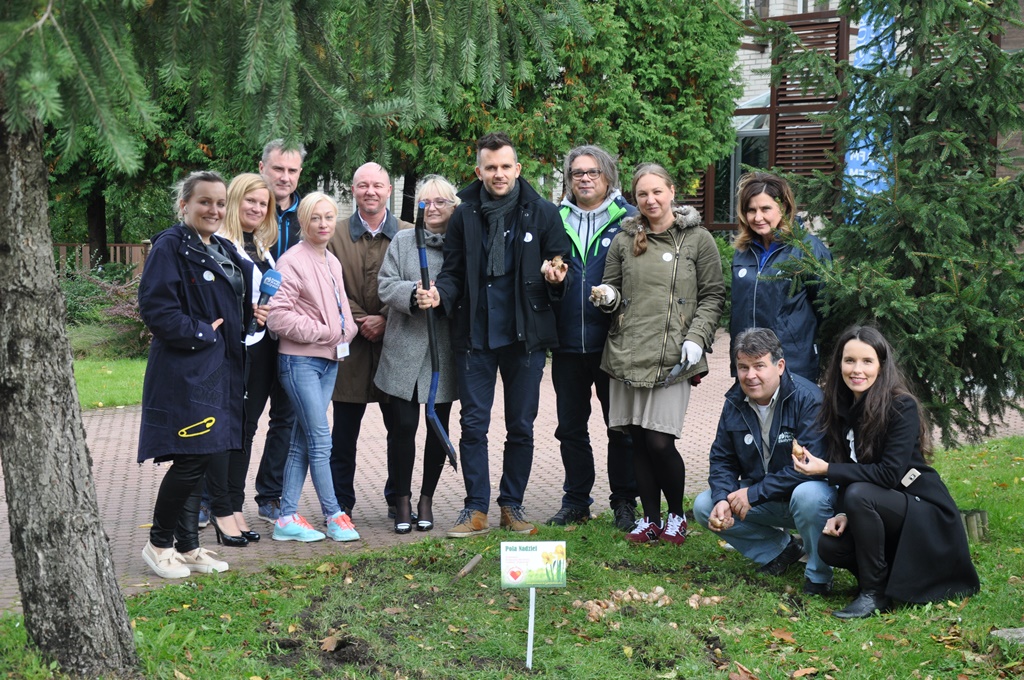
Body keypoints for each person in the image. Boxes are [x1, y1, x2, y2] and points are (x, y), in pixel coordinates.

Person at [416, 131, 570, 538]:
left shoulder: (542, 212)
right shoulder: (464, 215)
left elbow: (562, 263)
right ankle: (475, 509)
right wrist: (438, 295)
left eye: (506, 166)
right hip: (475, 335)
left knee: (521, 424)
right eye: (491, 167)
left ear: (517, 169)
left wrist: (557, 276)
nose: (499, 174)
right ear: (479, 171)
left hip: (525, 337)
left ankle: (512, 506)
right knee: (473, 425)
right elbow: (451, 273)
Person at [793, 325, 980, 618]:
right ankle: (885, 579)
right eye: (849, 360)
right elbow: (854, 470)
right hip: (883, 503)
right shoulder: (840, 406)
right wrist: (842, 512)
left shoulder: (900, 405)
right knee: (831, 545)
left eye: (867, 361)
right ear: (839, 363)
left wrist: (826, 469)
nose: (857, 369)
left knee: (859, 494)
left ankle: (873, 594)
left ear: (881, 365)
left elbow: (888, 475)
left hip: (923, 506)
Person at [137, 170, 264, 577]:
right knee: (192, 459)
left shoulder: (223, 248)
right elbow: (156, 309)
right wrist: (200, 333)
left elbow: (231, 303)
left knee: (205, 454)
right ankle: (159, 545)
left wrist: (250, 318)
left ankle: (189, 547)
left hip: (222, 371)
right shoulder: (171, 246)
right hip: (187, 371)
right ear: (184, 205)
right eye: (204, 201)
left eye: (219, 202)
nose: (213, 209)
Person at [591, 163, 724, 545]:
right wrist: (608, 298)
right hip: (627, 352)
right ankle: (649, 519)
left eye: (657, 192)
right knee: (634, 437)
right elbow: (612, 292)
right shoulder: (624, 239)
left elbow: (713, 295)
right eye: (642, 194)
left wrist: (697, 336)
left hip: (674, 356)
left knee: (660, 441)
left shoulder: (698, 239)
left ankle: (676, 516)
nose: (650, 200)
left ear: (671, 191)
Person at [693, 328, 835, 594]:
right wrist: (724, 496)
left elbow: (808, 469)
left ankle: (819, 574)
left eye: (759, 366)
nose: (750, 375)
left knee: (809, 495)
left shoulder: (808, 399)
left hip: (812, 500)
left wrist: (753, 494)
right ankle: (783, 550)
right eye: (743, 367)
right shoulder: (734, 401)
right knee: (705, 505)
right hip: (766, 499)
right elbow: (722, 458)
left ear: (780, 366)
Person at [548, 145, 638, 530]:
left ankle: (624, 502)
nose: (584, 179)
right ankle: (576, 501)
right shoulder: (554, 218)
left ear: (608, 177)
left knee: (620, 426)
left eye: (592, 173)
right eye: (577, 173)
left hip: (613, 342)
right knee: (570, 427)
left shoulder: (630, 220)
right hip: (566, 342)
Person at [266, 192, 360, 543]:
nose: (323, 224)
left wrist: (345, 330)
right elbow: (277, 316)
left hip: (329, 361)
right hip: (300, 361)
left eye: (328, 218)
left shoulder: (331, 260)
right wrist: (325, 333)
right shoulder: (292, 261)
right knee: (320, 439)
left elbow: (342, 310)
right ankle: (334, 515)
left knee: (303, 440)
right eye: (315, 218)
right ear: (303, 222)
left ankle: (286, 516)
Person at [375, 175, 460, 533]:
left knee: (436, 426)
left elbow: (466, 287)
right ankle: (403, 500)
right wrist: (413, 293)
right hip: (404, 347)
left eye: (440, 202)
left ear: (453, 207)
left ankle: (427, 497)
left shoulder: (461, 245)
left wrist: (442, 298)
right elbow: (386, 284)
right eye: (426, 203)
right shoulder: (404, 240)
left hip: (443, 352)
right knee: (404, 426)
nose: (432, 209)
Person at [327, 162, 412, 519]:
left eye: (377, 185)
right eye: (363, 185)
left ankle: (399, 499)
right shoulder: (333, 235)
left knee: (401, 430)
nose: (370, 192)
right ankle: (340, 502)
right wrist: (362, 320)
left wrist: (387, 318)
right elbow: (328, 286)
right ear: (353, 189)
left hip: (397, 346)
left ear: (389, 189)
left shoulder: (409, 234)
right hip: (349, 347)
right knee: (343, 434)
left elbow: (418, 282)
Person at [208, 172, 281, 545]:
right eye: (249, 200)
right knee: (229, 431)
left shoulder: (262, 246)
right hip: (232, 350)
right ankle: (221, 510)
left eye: (263, 203)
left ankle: (234, 506)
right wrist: (245, 311)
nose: (256, 208)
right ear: (235, 201)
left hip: (261, 348)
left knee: (246, 429)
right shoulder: (220, 244)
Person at [730, 172, 831, 382]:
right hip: (749, 365)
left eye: (765, 209)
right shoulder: (743, 252)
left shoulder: (807, 249)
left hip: (793, 365)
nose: (758, 218)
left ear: (783, 207)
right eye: (751, 210)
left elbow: (827, 309)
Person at [252, 139, 306, 523]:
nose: (285, 178)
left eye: (292, 171)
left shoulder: (309, 215)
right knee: (240, 415)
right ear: (262, 168)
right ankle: (210, 498)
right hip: (251, 332)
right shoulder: (248, 212)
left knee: (285, 419)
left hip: (293, 335)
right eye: (278, 169)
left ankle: (269, 496)